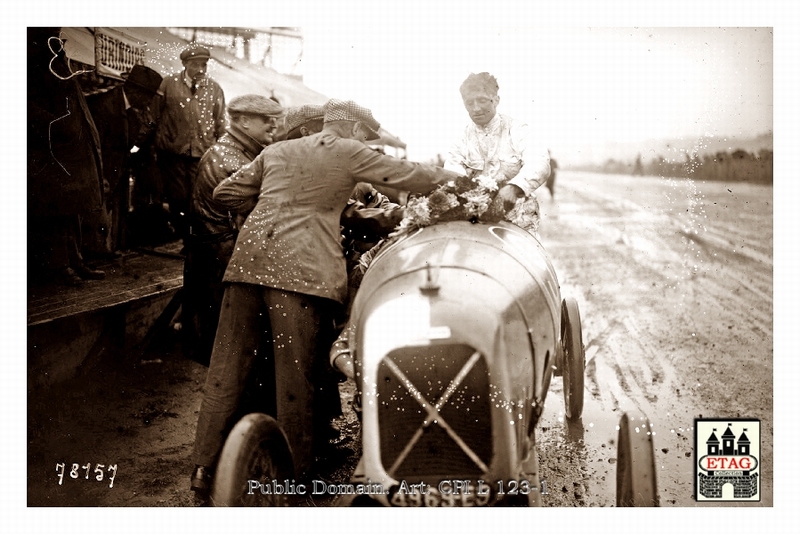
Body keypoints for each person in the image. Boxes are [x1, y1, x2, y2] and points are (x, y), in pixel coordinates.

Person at [190, 99, 460, 492]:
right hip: (300, 272)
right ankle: (297, 474)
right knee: (294, 376)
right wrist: (464, 182)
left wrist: (275, 207)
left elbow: (224, 193)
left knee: (225, 370)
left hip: (246, 266)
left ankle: (202, 469)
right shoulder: (348, 149)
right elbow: (411, 175)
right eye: (364, 135)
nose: (365, 141)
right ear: (351, 128)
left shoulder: (276, 150)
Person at [183, 94, 284, 367]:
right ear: (242, 122)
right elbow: (260, 207)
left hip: (222, 249)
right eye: (266, 120)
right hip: (220, 252)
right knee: (224, 336)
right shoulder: (229, 157)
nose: (273, 126)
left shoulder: (241, 152)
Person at [27, 27, 106, 286]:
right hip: (52, 151)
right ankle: (60, 267)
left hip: (70, 150)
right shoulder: (34, 59)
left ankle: (75, 261)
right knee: (57, 213)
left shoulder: (55, 59)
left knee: (72, 210)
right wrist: (56, 126)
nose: (60, 40)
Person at [444, 72, 550, 237]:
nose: (476, 108)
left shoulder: (518, 130)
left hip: (519, 220)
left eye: (482, 100)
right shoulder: (461, 138)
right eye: (469, 102)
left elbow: (540, 162)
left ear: (496, 100)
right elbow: (452, 171)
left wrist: (514, 188)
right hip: (474, 221)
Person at [84, 65, 163, 256]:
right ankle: (93, 254)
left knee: (109, 215)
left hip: (116, 170)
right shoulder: (105, 105)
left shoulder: (132, 109)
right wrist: (100, 175)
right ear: (135, 91)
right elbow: (95, 145)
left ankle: (105, 250)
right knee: (95, 216)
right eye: (148, 96)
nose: (149, 101)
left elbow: (132, 144)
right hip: (99, 172)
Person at [153, 44, 226, 242]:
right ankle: (184, 235)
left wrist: (220, 150)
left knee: (198, 197)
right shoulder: (168, 84)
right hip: (173, 153)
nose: (201, 69)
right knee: (177, 197)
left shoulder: (214, 89)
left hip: (201, 154)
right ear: (185, 64)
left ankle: (193, 239)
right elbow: (155, 115)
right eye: (195, 65)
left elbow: (220, 122)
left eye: (204, 65)